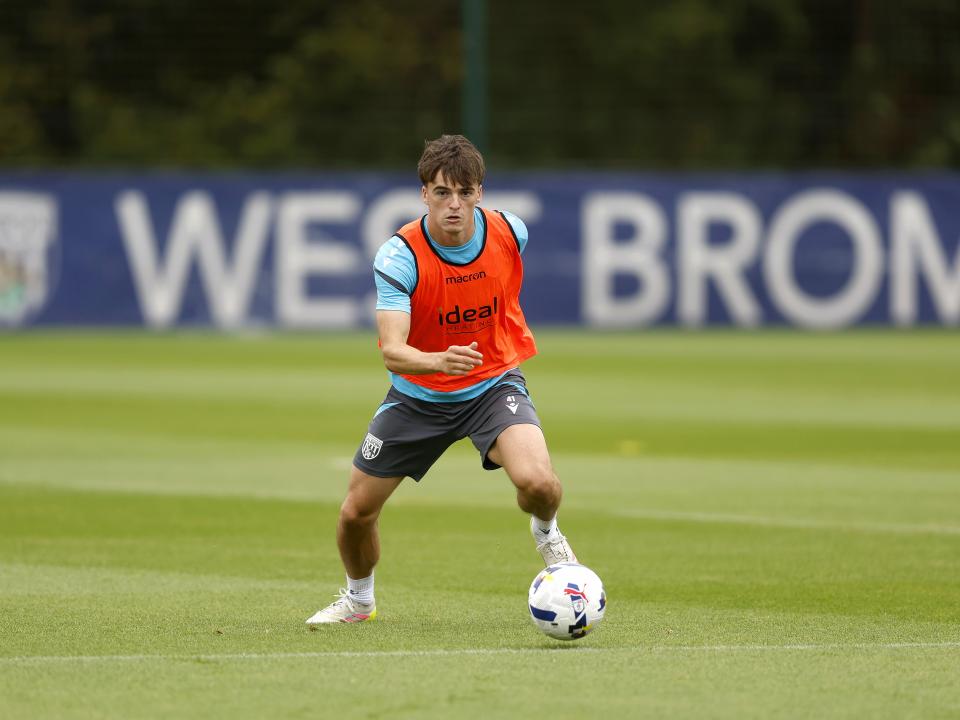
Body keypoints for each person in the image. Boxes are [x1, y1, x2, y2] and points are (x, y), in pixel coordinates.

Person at [306, 134, 577, 625]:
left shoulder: (510, 232)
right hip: (418, 397)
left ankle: (546, 532)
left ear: (480, 192)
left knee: (540, 483)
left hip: (492, 385)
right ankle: (358, 600)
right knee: (354, 514)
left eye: (464, 192)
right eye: (441, 192)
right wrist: (437, 362)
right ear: (423, 194)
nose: (454, 204)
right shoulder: (399, 256)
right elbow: (392, 350)